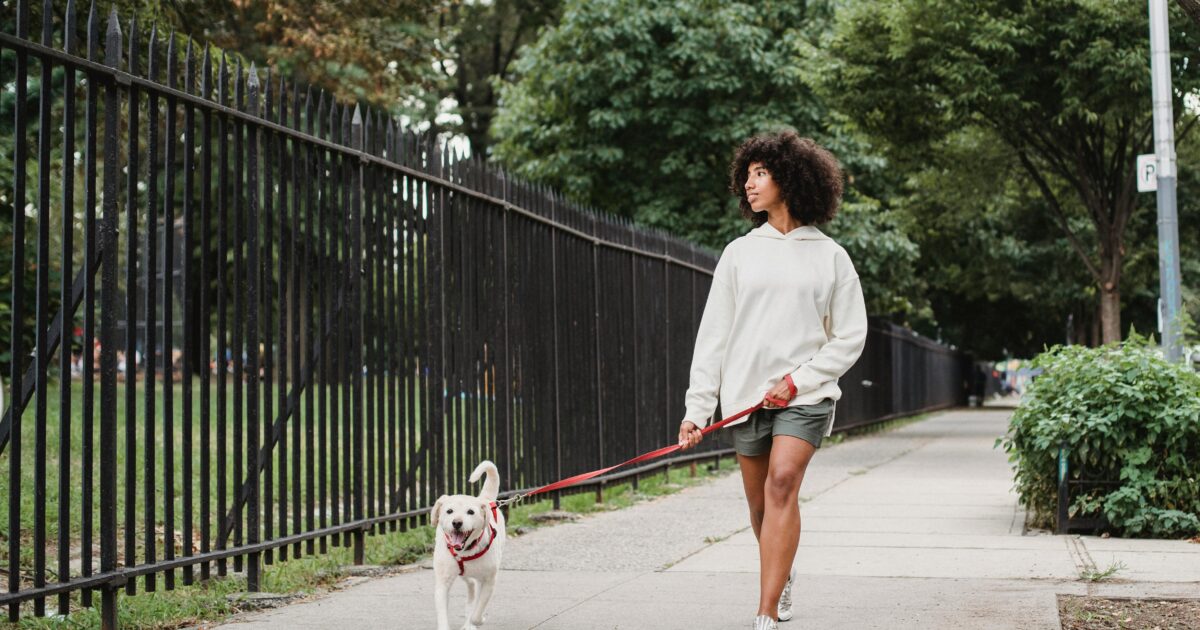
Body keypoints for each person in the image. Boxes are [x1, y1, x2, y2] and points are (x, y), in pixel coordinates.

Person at [677, 131, 868, 630]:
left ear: (790, 177)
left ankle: (764, 613)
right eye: (747, 175)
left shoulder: (831, 257)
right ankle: (781, 577)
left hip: (806, 397)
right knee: (761, 504)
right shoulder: (739, 253)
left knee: (783, 483)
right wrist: (698, 410)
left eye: (760, 173)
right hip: (746, 398)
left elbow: (849, 337)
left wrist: (799, 380)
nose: (748, 183)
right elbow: (712, 337)